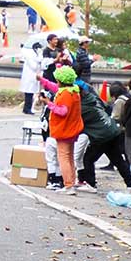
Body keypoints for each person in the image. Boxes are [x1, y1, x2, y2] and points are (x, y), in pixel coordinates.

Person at [75, 77, 131, 192]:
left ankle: (91, 184)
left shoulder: (83, 108)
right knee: (117, 160)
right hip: (112, 130)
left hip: (102, 135)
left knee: (88, 158)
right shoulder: (93, 99)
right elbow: (107, 107)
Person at [46, 66, 85, 195]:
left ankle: (68, 185)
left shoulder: (65, 94)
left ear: (60, 80)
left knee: (63, 157)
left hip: (64, 130)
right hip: (73, 128)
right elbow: (55, 88)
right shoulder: (74, 91)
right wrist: (42, 80)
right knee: (70, 157)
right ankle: (71, 183)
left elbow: (62, 111)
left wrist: (49, 103)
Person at [19, 39, 44, 115]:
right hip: (29, 77)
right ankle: (27, 109)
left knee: (31, 94)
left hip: (33, 77)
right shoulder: (30, 56)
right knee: (29, 94)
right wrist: (39, 60)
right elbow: (34, 66)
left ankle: (28, 108)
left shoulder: (34, 55)